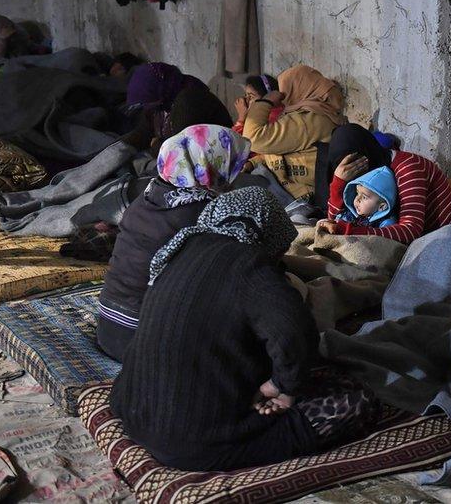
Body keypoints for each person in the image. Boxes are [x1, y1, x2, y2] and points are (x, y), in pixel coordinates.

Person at [110, 187, 377, 471]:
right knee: (357, 401)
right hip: (191, 442)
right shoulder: (252, 266)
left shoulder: (179, 249)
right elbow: (295, 334)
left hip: (131, 410)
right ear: (271, 233)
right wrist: (281, 387)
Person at [97, 124, 251, 361]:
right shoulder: (204, 214)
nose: (236, 174)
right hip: (144, 339)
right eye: (233, 164)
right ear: (211, 163)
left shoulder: (149, 194)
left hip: (109, 327)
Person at [318, 124, 451, 244]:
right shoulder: (363, 176)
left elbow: (410, 231)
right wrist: (338, 182)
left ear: (365, 157)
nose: (353, 175)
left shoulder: (409, 169)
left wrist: (349, 231)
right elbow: (336, 218)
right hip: (420, 238)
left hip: (446, 237)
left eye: (354, 165)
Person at [241, 64, 346, 205]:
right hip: (280, 184)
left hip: (294, 194)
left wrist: (265, 101)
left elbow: (253, 139)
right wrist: (253, 163)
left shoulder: (310, 119)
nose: (283, 95)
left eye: (286, 89)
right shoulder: (313, 115)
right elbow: (278, 151)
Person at [120, 62, 229, 153]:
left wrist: (155, 146)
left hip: (215, 158)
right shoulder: (161, 103)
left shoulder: (189, 101)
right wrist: (118, 147)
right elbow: (144, 131)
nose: (146, 106)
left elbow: (179, 153)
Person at [319, 166, 398, 230]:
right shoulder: (350, 215)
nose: (357, 199)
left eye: (364, 197)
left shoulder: (386, 224)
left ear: (382, 206)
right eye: (357, 193)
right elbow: (336, 220)